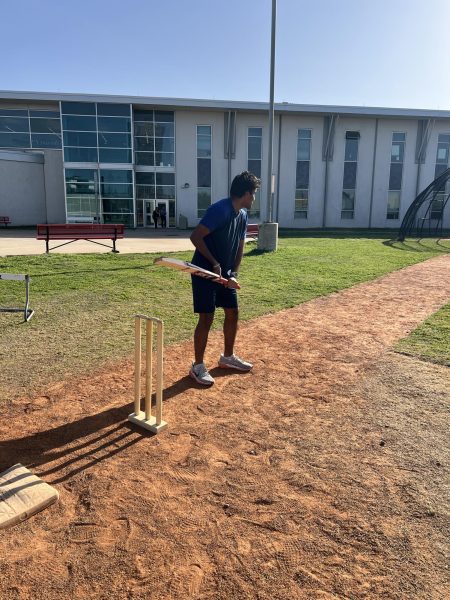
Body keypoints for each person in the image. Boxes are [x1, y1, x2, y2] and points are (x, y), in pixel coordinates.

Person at [189, 170, 260, 386]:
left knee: (233, 312)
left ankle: (227, 358)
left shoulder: (243, 215)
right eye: (254, 193)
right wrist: (214, 263)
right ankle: (198, 366)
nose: (254, 198)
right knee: (207, 318)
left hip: (225, 275)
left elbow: (239, 246)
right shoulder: (220, 210)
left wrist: (233, 273)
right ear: (246, 193)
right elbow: (195, 236)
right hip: (204, 271)